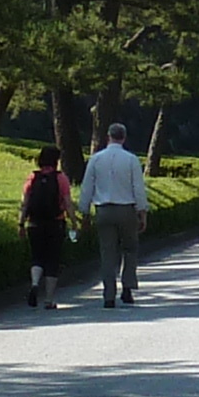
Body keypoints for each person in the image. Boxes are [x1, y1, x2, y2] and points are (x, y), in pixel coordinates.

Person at [82, 121, 149, 306]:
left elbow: (87, 187)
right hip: (126, 209)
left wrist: (84, 212)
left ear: (108, 137)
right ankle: (127, 288)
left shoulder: (96, 159)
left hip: (103, 209)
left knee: (107, 253)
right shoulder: (131, 159)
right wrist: (142, 212)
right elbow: (138, 188)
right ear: (124, 138)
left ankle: (108, 294)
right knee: (129, 249)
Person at [18, 146, 73, 310]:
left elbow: (24, 203)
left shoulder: (32, 178)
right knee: (52, 260)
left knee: (37, 257)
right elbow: (68, 203)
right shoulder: (61, 178)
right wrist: (75, 222)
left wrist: (21, 223)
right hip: (55, 223)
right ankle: (49, 300)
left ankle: (35, 283)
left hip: (34, 223)